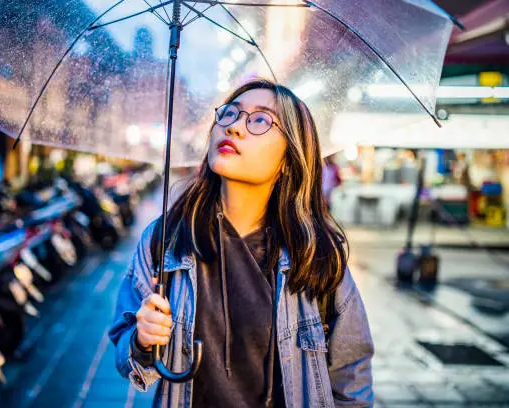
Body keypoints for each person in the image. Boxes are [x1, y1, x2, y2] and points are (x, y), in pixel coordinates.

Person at [109, 79, 374, 407]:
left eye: (260, 120)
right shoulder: (166, 241)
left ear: (289, 159)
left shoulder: (316, 255)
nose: (234, 127)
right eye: (230, 114)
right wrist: (142, 339)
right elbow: (126, 355)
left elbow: (351, 376)